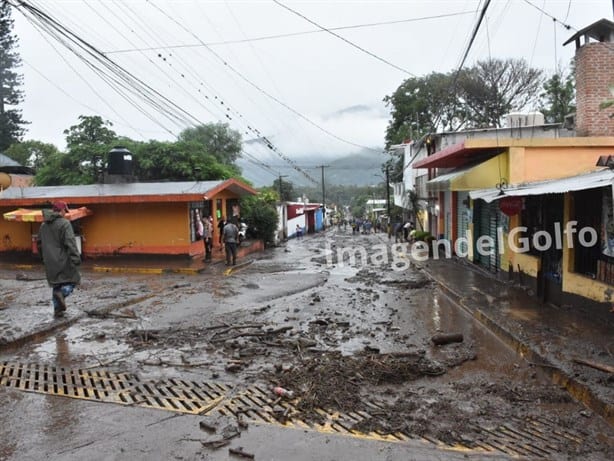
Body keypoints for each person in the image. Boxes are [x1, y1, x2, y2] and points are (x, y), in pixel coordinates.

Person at [37, 201, 81, 318]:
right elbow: (70, 243)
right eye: (65, 211)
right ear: (61, 211)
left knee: (56, 285)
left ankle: (58, 310)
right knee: (73, 281)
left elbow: (39, 244)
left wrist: (43, 258)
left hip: (49, 261)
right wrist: (76, 258)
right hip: (63, 260)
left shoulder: (43, 225)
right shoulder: (64, 224)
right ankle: (63, 293)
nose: (65, 214)